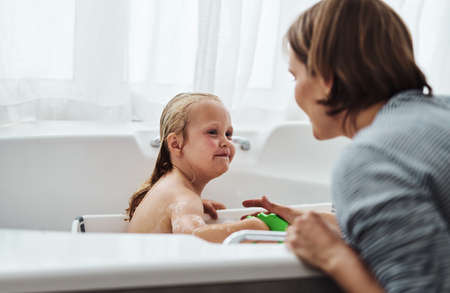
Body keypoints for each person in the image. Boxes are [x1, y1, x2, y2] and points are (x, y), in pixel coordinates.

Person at [242, 0, 450, 292]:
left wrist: (333, 256)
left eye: (295, 76)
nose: (295, 93)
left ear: (327, 78)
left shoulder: (371, 160)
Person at [126, 93, 268, 243]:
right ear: (176, 144)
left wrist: (194, 206)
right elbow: (192, 239)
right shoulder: (184, 198)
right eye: (213, 132)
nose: (226, 142)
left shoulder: (173, 188)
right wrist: (250, 228)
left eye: (228, 134)